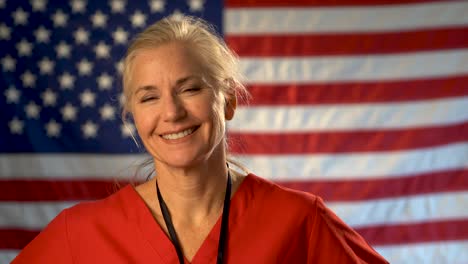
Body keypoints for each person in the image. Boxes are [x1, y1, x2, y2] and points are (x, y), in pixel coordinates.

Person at [13, 16, 389, 264]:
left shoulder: (300, 221)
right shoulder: (80, 233)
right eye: (149, 97)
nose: (172, 112)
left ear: (227, 101)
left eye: (189, 88)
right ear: (133, 116)